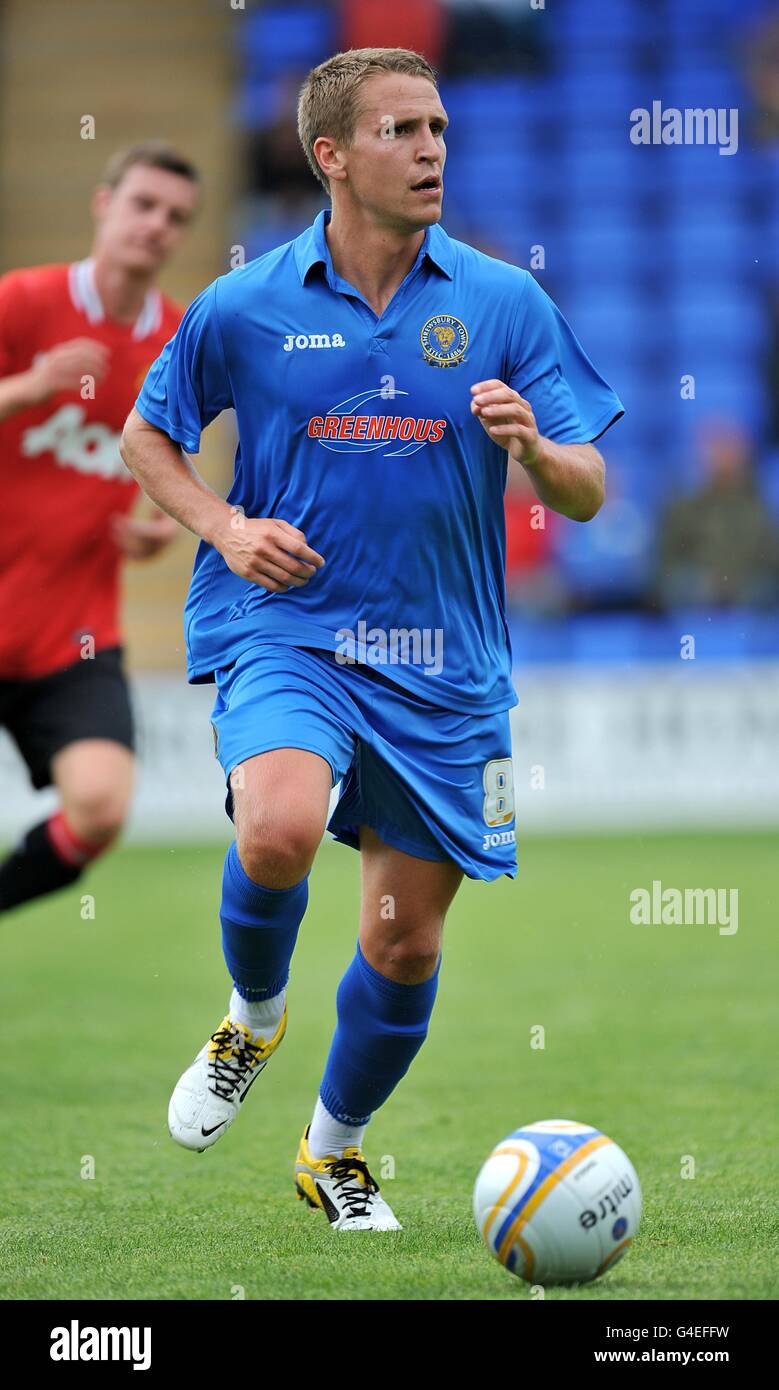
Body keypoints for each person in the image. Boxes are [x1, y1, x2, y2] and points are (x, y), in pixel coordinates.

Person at [121, 48, 622, 1231]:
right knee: (282, 824)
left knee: (402, 949)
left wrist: (540, 459)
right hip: (287, 626)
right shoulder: (242, 305)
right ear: (331, 156)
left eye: (438, 125)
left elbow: (591, 485)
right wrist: (225, 525)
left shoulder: (503, 300)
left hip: (444, 662)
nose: (432, 147)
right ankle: (251, 1016)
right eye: (401, 129)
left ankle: (331, 1149)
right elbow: (152, 437)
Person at [0, 142, 201, 913]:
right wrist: (31, 386)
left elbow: (167, 466)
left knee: (101, 807)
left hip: (71, 630)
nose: (156, 225)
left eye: (176, 217)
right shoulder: (24, 301)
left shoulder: (179, 343)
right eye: (142, 205)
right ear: (102, 204)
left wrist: (165, 524)